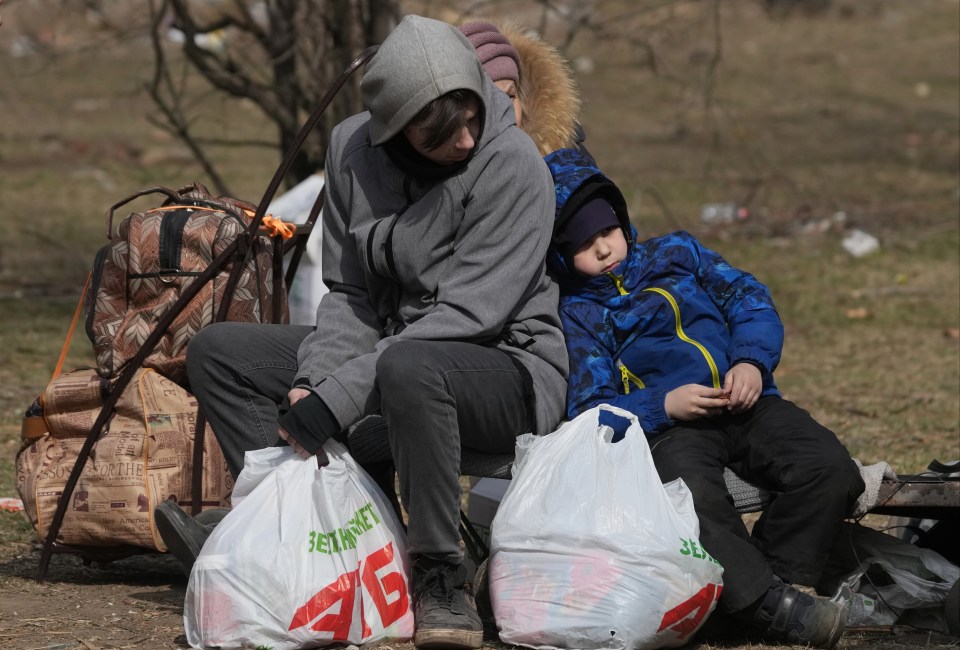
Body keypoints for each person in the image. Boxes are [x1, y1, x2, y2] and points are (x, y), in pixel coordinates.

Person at [155, 14, 567, 649]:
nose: (463, 141)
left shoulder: (514, 167)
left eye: (470, 119)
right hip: (390, 349)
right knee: (220, 352)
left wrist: (337, 396)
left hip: (503, 367)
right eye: (438, 134)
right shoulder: (351, 150)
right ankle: (301, 537)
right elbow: (349, 292)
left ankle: (438, 575)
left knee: (410, 367)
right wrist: (314, 381)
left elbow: (467, 317)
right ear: (396, 130)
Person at [541, 146, 865, 649]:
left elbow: (747, 297)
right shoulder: (580, 313)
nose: (603, 249)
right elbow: (591, 406)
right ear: (561, 254)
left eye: (606, 232)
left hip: (746, 402)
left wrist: (751, 362)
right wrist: (663, 405)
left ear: (622, 223)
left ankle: (765, 597)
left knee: (828, 466)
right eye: (583, 244)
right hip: (674, 429)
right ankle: (772, 606)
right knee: (691, 502)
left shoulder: (679, 253)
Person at [457, 19, 585, 157]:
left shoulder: (567, 164)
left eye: (510, 96)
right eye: (488, 101)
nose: (505, 112)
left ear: (521, 96)